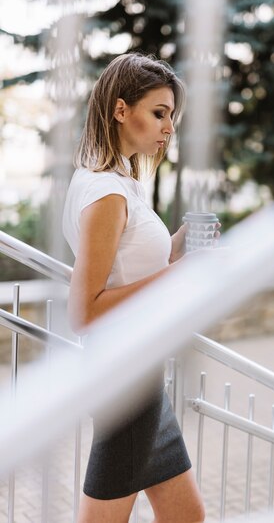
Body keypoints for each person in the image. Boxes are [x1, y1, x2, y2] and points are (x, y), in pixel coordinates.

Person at [62, 53, 207, 523]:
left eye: (172, 117)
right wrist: (182, 274)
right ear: (121, 110)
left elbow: (134, 269)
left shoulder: (121, 182)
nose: (169, 128)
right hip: (121, 376)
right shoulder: (106, 193)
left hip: (142, 373)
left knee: (187, 517)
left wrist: (182, 245)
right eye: (159, 113)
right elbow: (85, 310)